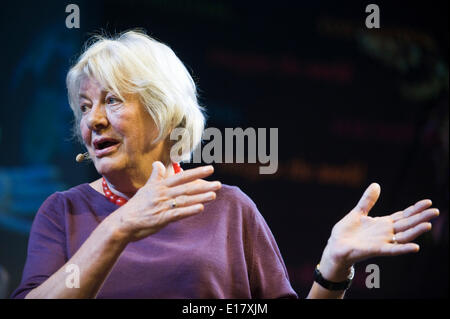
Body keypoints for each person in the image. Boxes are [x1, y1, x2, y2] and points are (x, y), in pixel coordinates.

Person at [12, 30, 439, 299]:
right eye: (84, 106)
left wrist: (333, 268)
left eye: (112, 100)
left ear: (162, 112)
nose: (93, 119)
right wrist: (118, 228)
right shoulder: (62, 213)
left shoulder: (229, 209)